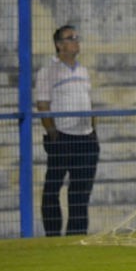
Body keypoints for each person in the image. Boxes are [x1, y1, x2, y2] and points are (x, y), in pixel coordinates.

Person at [35, 25, 99, 237]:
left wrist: (93, 131)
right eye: (70, 38)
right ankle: (52, 236)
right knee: (52, 188)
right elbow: (43, 104)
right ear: (59, 45)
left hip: (86, 139)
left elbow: (90, 103)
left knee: (80, 192)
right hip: (62, 138)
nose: (76, 41)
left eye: (76, 37)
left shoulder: (83, 71)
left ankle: (77, 235)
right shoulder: (48, 72)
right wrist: (53, 133)